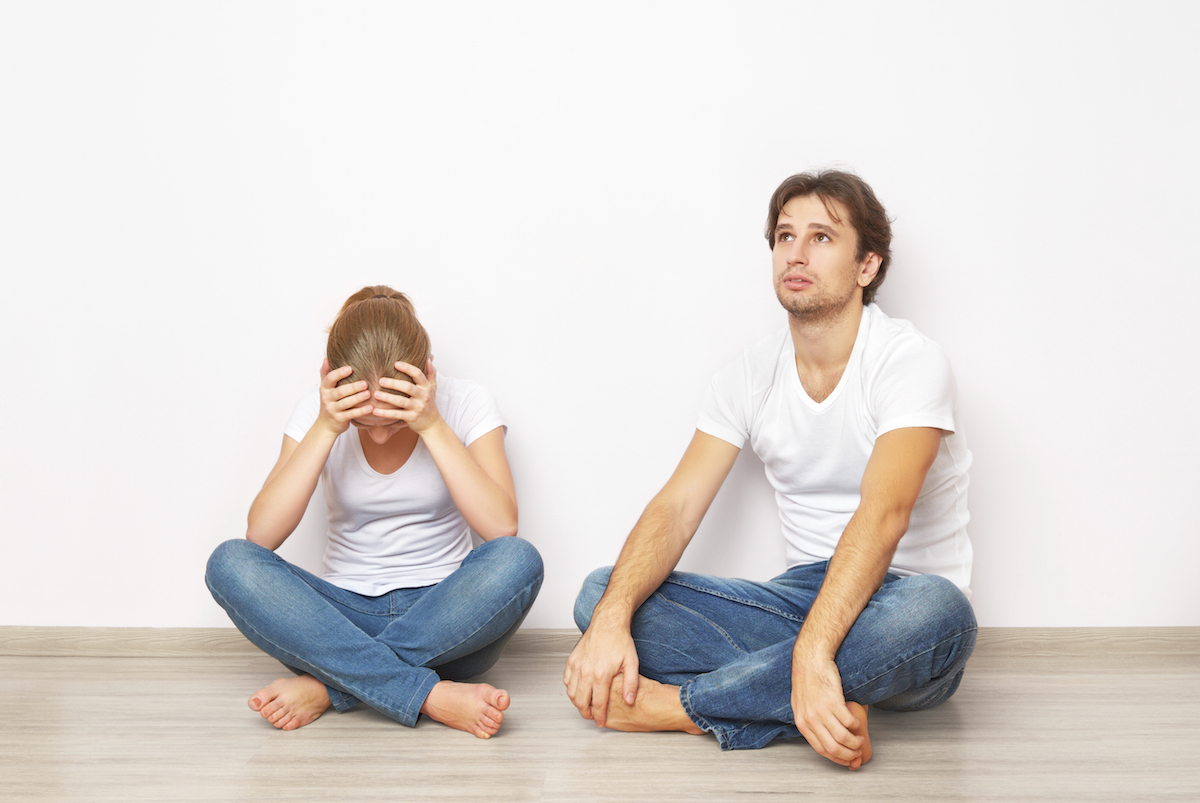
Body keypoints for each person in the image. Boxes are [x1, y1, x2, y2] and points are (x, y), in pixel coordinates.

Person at [564, 170, 977, 769]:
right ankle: (821, 696)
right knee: (602, 595)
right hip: (797, 601)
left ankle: (685, 708)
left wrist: (814, 652)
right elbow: (677, 509)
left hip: (898, 603)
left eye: (822, 237)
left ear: (867, 266)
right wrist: (611, 618)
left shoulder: (910, 363)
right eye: (785, 237)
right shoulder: (748, 374)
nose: (796, 254)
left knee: (939, 612)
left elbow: (884, 514)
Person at [206, 285, 543, 739]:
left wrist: (431, 425)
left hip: (448, 622)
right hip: (339, 621)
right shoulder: (317, 412)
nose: (380, 436)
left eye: (396, 422)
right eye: (364, 424)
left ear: (427, 374)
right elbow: (261, 536)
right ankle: (427, 693)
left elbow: (501, 527)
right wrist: (327, 426)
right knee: (229, 562)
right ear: (330, 377)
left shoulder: (467, 402)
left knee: (518, 560)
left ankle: (330, 686)